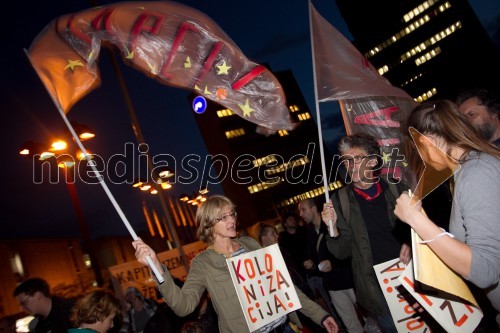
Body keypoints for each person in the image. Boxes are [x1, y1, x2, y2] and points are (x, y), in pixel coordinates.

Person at [133, 195, 339, 333]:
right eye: (223, 217)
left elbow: (283, 287)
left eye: (232, 214)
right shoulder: (203, 263)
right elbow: (183, 306)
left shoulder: (250, 243)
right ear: (209, 225)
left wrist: (319, 314)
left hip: (285, 328)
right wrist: (157, 268)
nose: (231, 220)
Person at [394, 100, 500, 327]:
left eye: (418, 149)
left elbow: (485, 270)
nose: (420, 159)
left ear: (428, 142)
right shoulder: (466, 170)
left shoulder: (476, 172)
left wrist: (416, 220)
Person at [321, 132, 411, 333]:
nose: (351, 165)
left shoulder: (396, 188)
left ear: (372, 162)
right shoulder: (340, 201)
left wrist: (410, 242)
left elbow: (423, 227)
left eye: (357, 158)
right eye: (346, 160)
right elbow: (341, 253)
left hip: (412, 279)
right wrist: (332, 228)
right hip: (378, 292)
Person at [299, 198, 363, 333]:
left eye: (303, 209)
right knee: (351, 324)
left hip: (350, 280)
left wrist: (333, 263)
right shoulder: (309, 233)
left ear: (313, 208)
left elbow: (349, 249)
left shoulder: (332, 224)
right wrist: (311, 264)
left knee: (370, 317)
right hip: (332, 286)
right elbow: (315, 257)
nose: (300, 214)